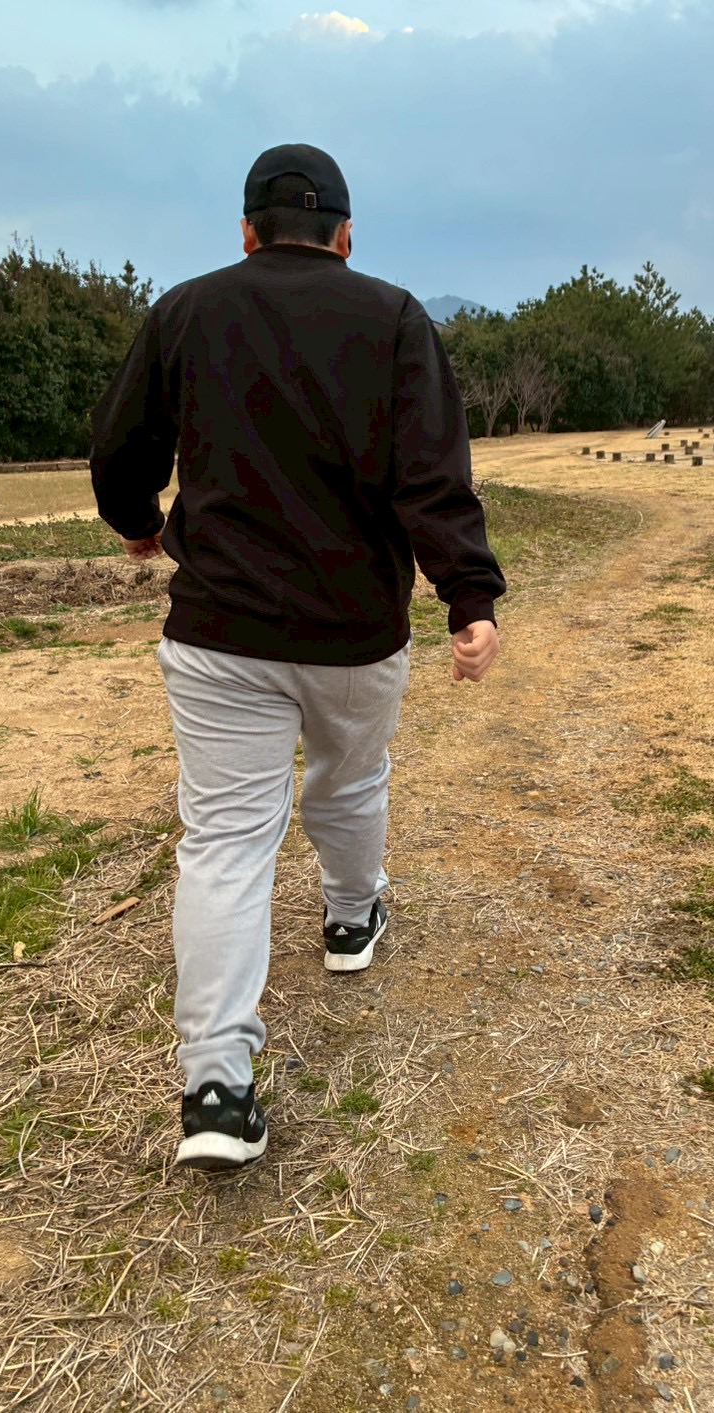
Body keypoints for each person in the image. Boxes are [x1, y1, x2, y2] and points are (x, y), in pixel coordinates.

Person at [90, 143, 505, 1172]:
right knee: (348, 781)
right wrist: (468, 596)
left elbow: (121, 446)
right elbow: (432, 473)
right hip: (354, 631)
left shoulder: (186, 310)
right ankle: (351, 919)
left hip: (218, 633)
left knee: (226, 841)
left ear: (246, 231)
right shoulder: (396, 318)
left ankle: (215, 1090)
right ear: (345, 235)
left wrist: (138, 521)